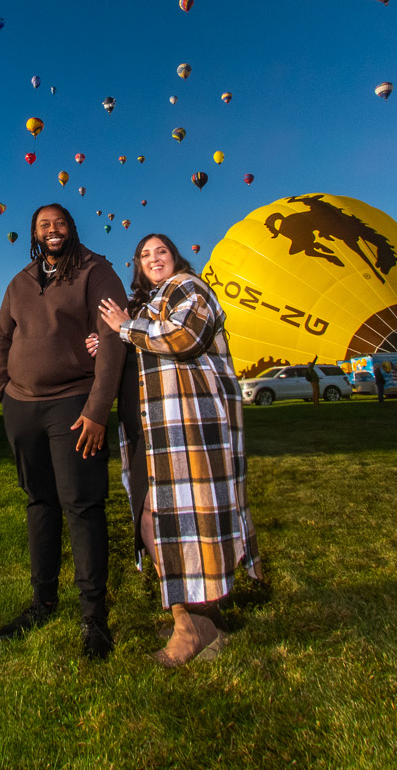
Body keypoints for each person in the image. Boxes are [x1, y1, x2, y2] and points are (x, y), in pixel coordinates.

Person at [97, 234, 263, 667]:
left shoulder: (189, 287)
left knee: (169, 517)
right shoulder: (148, 304)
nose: (153, 259)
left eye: (161, 252)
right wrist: (111, 343)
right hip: (147, 427)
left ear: (176, 258)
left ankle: (190, 625)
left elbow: (184, 336)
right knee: (155, 517)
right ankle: (198, 614)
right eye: (145, 254)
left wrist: (123, 329)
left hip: (182, 426)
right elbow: (142, 344)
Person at [0, 203, 128, 660]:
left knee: (83, 506)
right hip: (23, 407)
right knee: (39, 503)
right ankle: (42, 602)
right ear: (34, 233)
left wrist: (98, 408)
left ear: (72, 228)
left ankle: (94, 617)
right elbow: (1, 336)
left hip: (75, 403)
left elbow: (111, 338)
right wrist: (1, 386)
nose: (53, 230)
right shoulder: (21, 281)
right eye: (44, 225)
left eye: (60, 223)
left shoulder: (95, 271)